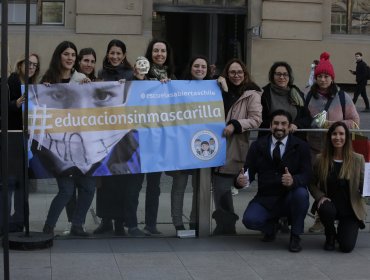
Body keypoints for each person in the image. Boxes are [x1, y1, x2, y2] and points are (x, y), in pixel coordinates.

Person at [235, 109, 311, 253]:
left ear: (289, 127)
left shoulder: (301, 146)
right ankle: (272, 227)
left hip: (290, 196)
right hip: (266, 197)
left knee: (301, 194)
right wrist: (241, 181)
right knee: (250, 220)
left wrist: (293, 180)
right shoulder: (258, 145)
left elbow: (307, 174)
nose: (280, 127)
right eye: (276, 123)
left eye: (284, 124)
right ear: (270, 126)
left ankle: (295, 235)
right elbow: (248, 171)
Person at [40, 41, 95, 237]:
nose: (70, 58)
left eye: (73, 55)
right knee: (66, 189)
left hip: (81, 144)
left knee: (88, 187)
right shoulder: (47, 79)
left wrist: (90, 88)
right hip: (58, 145)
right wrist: (43, 91)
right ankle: (48, 227)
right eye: (66, 54)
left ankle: (77, 225)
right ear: (59, 56)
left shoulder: (82, 79)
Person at [93, 39, 145, 237]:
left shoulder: (132, 74)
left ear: (124, 55)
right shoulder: (100, 74)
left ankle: (123, 224)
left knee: (125, 183)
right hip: (105, 134)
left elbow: (141, 98)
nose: (115, 56)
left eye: (118, 53)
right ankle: (106, 221)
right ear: (107, 54)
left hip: (128, 135)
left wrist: (136, 83)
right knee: (106, 183)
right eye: (111, 53)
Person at [306, 51, 360, 233]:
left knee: (335, 183)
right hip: (314, 148)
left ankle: (341, 215)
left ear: (332, 78)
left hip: (338, 149)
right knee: (319, 183)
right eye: (319, 76)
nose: (322, 79)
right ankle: (321, 218)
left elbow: (355, 122)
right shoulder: (308, 96)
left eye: (326, 76)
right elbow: (303, 119)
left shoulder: (343, 97)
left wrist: (331, 125)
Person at [212, 58, 262, 235]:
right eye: (232, 72)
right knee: (218, 188)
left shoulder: (252, 93)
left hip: (234, 145)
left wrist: (235, 124)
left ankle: (228, 227)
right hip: (213, 143)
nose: (236, 75)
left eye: (239, 72)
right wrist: (223, 89)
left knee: (225, 187)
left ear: (245, 73)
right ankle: (223, 225)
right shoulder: (219, 89)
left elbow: (256, 119)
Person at [309, 121, 366, 252]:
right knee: (325, 208)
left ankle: (347, 228)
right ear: (329, 137)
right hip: (330, 206)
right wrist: (320, 196)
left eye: (341, 134)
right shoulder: (320, 159)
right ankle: (330, 235)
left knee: (346, 247)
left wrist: (366, 188)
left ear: (347, 137)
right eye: (334, 134)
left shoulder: (358, 159)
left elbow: (364, 185)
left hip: (350, 209)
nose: (338, 137)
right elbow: (311, 182)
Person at [169, 55, 211, 232]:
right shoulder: (179, 86)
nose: (200, 69)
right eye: (197, 66)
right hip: (182, 145)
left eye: (203, 66)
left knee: (198, 187)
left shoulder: (212, 88)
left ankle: (196, 221)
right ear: (190, 67)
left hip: (203, 145)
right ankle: (178, 222)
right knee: (179, 186)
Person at [0, 53, 40, 234]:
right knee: (9, 183)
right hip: (11, 139)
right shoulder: (10, 83)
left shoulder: (33, 86)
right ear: (20, 64)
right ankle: (4, 222)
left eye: (35, 65)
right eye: (29, 63)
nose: (32, 67)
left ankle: (19, 222)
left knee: (22, 184)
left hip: (26, 141)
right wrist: (15, 104)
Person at [63, 47, 97, 233]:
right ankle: (75, 224)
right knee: (72, 187)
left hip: (88, 144)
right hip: (69, 142)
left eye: (92, 61)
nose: (89, 64)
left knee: (88, 186)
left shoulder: (93, 81)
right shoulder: (72, 80)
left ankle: (77, 223)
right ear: (79, 62)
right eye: (86, 60)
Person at [260, 61, 311, 140]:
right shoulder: (264, 94)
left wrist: (296, 125)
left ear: (289, 76)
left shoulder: (297, 93)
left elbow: (307, 118)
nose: (282, 77)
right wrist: (275, 125)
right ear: (272, 76)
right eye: (278, 74)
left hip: (294, 140)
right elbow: (259, 119)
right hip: (269, 140)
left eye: (285, 74)